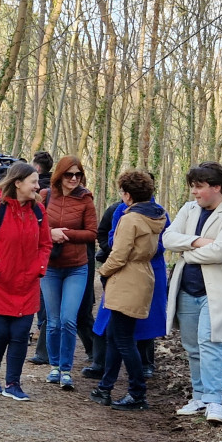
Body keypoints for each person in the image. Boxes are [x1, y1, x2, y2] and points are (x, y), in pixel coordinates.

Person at [162, 162, 222, 425]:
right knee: (191, 346)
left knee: (211, 342)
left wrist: (186, 251)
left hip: (217, 291)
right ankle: (199, 396)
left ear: (216, 187)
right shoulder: (189, 210)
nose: (194, 193)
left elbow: (220, 252)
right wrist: (198, 242)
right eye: (192, 187)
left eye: (199, 187)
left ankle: (215, 401)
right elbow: (168, 238)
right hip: (186, 289)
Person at [0, 161, 53, 401]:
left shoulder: (38, 212)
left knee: (20, 334)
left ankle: (13, 384)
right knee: (0, 333)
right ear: (18, 183)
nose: (38, 187)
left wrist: (39, 268)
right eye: (34, 182)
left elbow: (45, 244)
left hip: (27, 285)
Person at [88, 171, 167, 411]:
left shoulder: (130, 218)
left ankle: (137, 393)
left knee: (123, 339)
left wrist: (103, 272)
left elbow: (119, 254)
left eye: (123, 192)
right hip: (142, 275)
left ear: (128, 195)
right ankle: (105, 387)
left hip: (127, 279)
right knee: (115, 334)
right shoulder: (156, 215)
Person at [40, 156, 97, 392]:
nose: (74, 179)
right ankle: (54, 367)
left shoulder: (86, 199)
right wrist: (50, 232)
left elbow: (92, 233)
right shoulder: (45, 197)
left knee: (68, 319)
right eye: (69, 174)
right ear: (59, 175)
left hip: (77, 267)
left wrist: (66, 234)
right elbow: (35, 225)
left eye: (78, 175)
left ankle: (66, 370)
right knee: (52, 322)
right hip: (51, 267)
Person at [82, 200, 122, 379]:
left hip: (130, 273)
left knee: (129, 323)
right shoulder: (115, 209)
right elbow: (102, 233)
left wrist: (105, 269)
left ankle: (144, 366)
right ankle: (99, 363)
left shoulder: (154, 213)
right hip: (112, 269)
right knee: (104, 318)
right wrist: (108, 249)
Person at [27, 150, 55, 364]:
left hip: (48, 257)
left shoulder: (42, 195)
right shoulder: (49, 190)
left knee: (46, 302)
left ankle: (41, 336)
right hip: (45, 256)